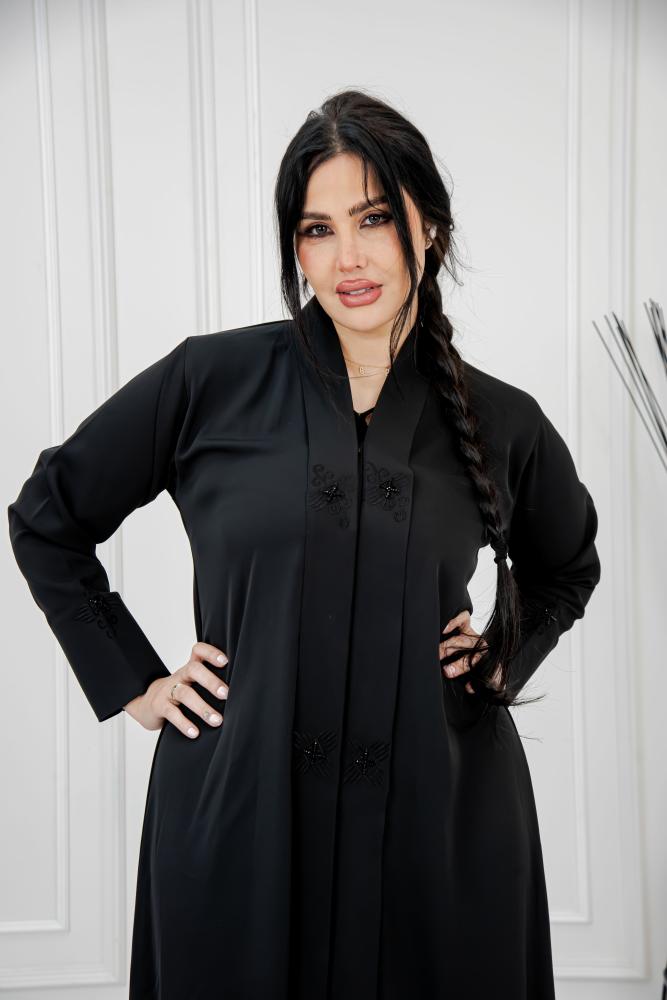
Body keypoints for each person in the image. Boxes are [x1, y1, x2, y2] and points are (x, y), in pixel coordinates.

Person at [7, 88, 601, 1000]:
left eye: (373, 218)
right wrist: (134, 681)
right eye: (317, 229)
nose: (347, 257)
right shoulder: (208, 382)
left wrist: (499, 657)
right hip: (236, 821)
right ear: (296, 248)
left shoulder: (502, 420)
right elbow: (48, 517)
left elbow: (566, 567)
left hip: (440, 831)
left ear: (429, 227)